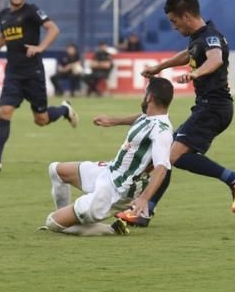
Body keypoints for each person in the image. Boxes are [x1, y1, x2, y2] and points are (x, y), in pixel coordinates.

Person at [121, 0, 235, 228]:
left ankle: (234, 179)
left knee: (170, 157)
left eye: (174, 21)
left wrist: (196, 73)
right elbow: (187, 55)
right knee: (165, 154)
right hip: (207, 107)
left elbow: (216, 59)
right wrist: (160, 66)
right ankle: (145, 210)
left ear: (187, 15)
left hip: (214, 108)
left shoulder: (211, 37)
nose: (173, 26)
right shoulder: (198, 37)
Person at [39, 77, 175, 236]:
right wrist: (113, 121)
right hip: (110, 170)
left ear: (149, 97)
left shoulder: (162, 132)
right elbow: (140, 118)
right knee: (56, 170)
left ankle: (111, 230)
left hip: (117, 189)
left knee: (52, 223)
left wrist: (144, 199)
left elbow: (162, 168)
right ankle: (68, 217)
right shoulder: (150, 116)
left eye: (144, 92)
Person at [0, 0, 77, 174]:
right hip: (13, 74)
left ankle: (64, 110)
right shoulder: (3, 15)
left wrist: (40, 47)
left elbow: (53, 29)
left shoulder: (32, 11)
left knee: (41, 119)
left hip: (33, 74)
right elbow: (4, 36)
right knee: (4, 112)